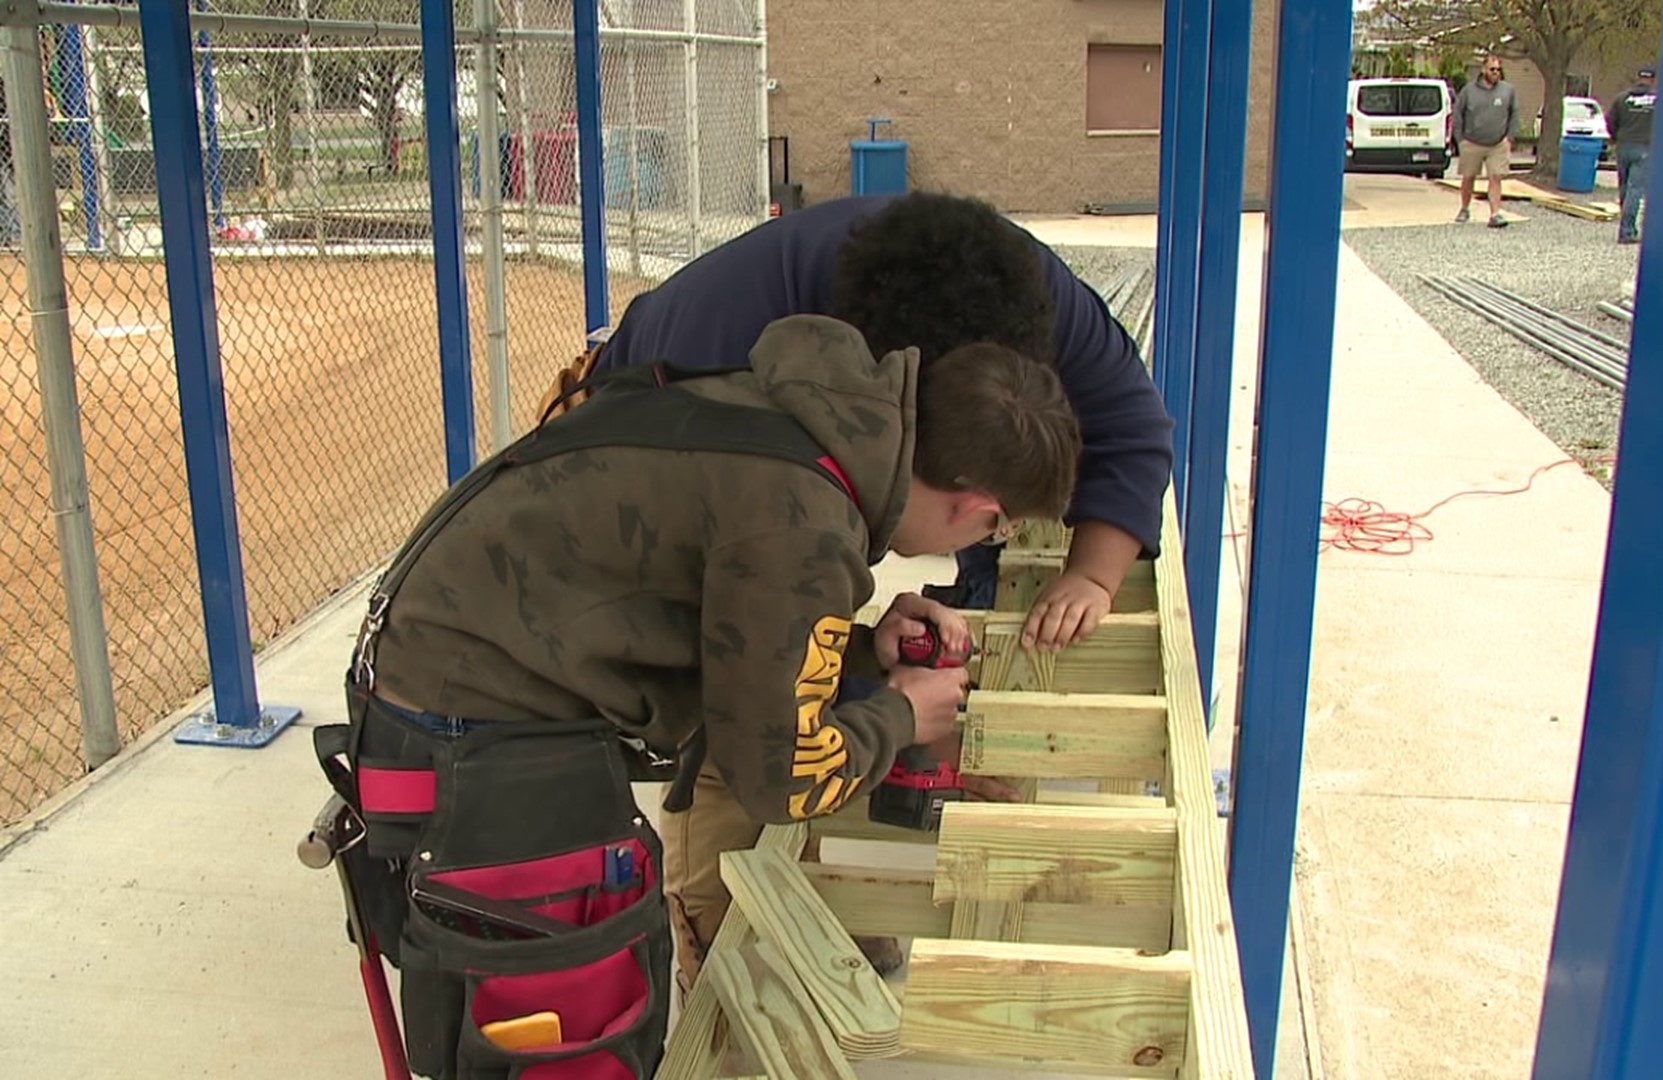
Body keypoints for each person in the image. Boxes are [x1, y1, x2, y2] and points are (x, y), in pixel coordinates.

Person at [316, 314, 1082, 1075]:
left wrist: (863, 651)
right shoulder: (805, 522)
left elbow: (733, 630)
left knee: (556, 1013)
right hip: (472, 719)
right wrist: (903, 713)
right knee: (571, 1030)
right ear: (981, 510)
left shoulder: (809, 421)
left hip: (449, 674)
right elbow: (785, 776)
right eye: (995, 533)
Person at [539, 191, 1173, 654]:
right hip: (613, 457)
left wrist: (1091, 579)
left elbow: (1133, 428)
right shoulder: (712, 380)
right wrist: (876, 690)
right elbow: (742, 648)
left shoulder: (1032, 297)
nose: (991, 526)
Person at [1451, 54, 1519, 229]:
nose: (1496, 73)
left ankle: (1495, 214)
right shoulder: (1468, 91)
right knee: (1468, 177)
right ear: (1483, 70)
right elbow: (1457, 114)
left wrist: (1509, 138)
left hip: (1497, 144)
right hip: (1472, 142)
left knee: (1496, 177)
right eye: (1492, 69)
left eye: (1498, 69)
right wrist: (1460, 140)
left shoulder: (1507, 91)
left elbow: (1514, 114)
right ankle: (1464, 208)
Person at [1608, 66, 1659, 244]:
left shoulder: (1621, 98)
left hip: (1623, 146)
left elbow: (1610, 122)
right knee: (1635, 189)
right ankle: (1627, 231)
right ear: (1653, 80)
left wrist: (1616, 138)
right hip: (1645, 148)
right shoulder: (1659, 100)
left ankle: (1626, 225)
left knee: (1624, 188)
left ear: (1638, 78)